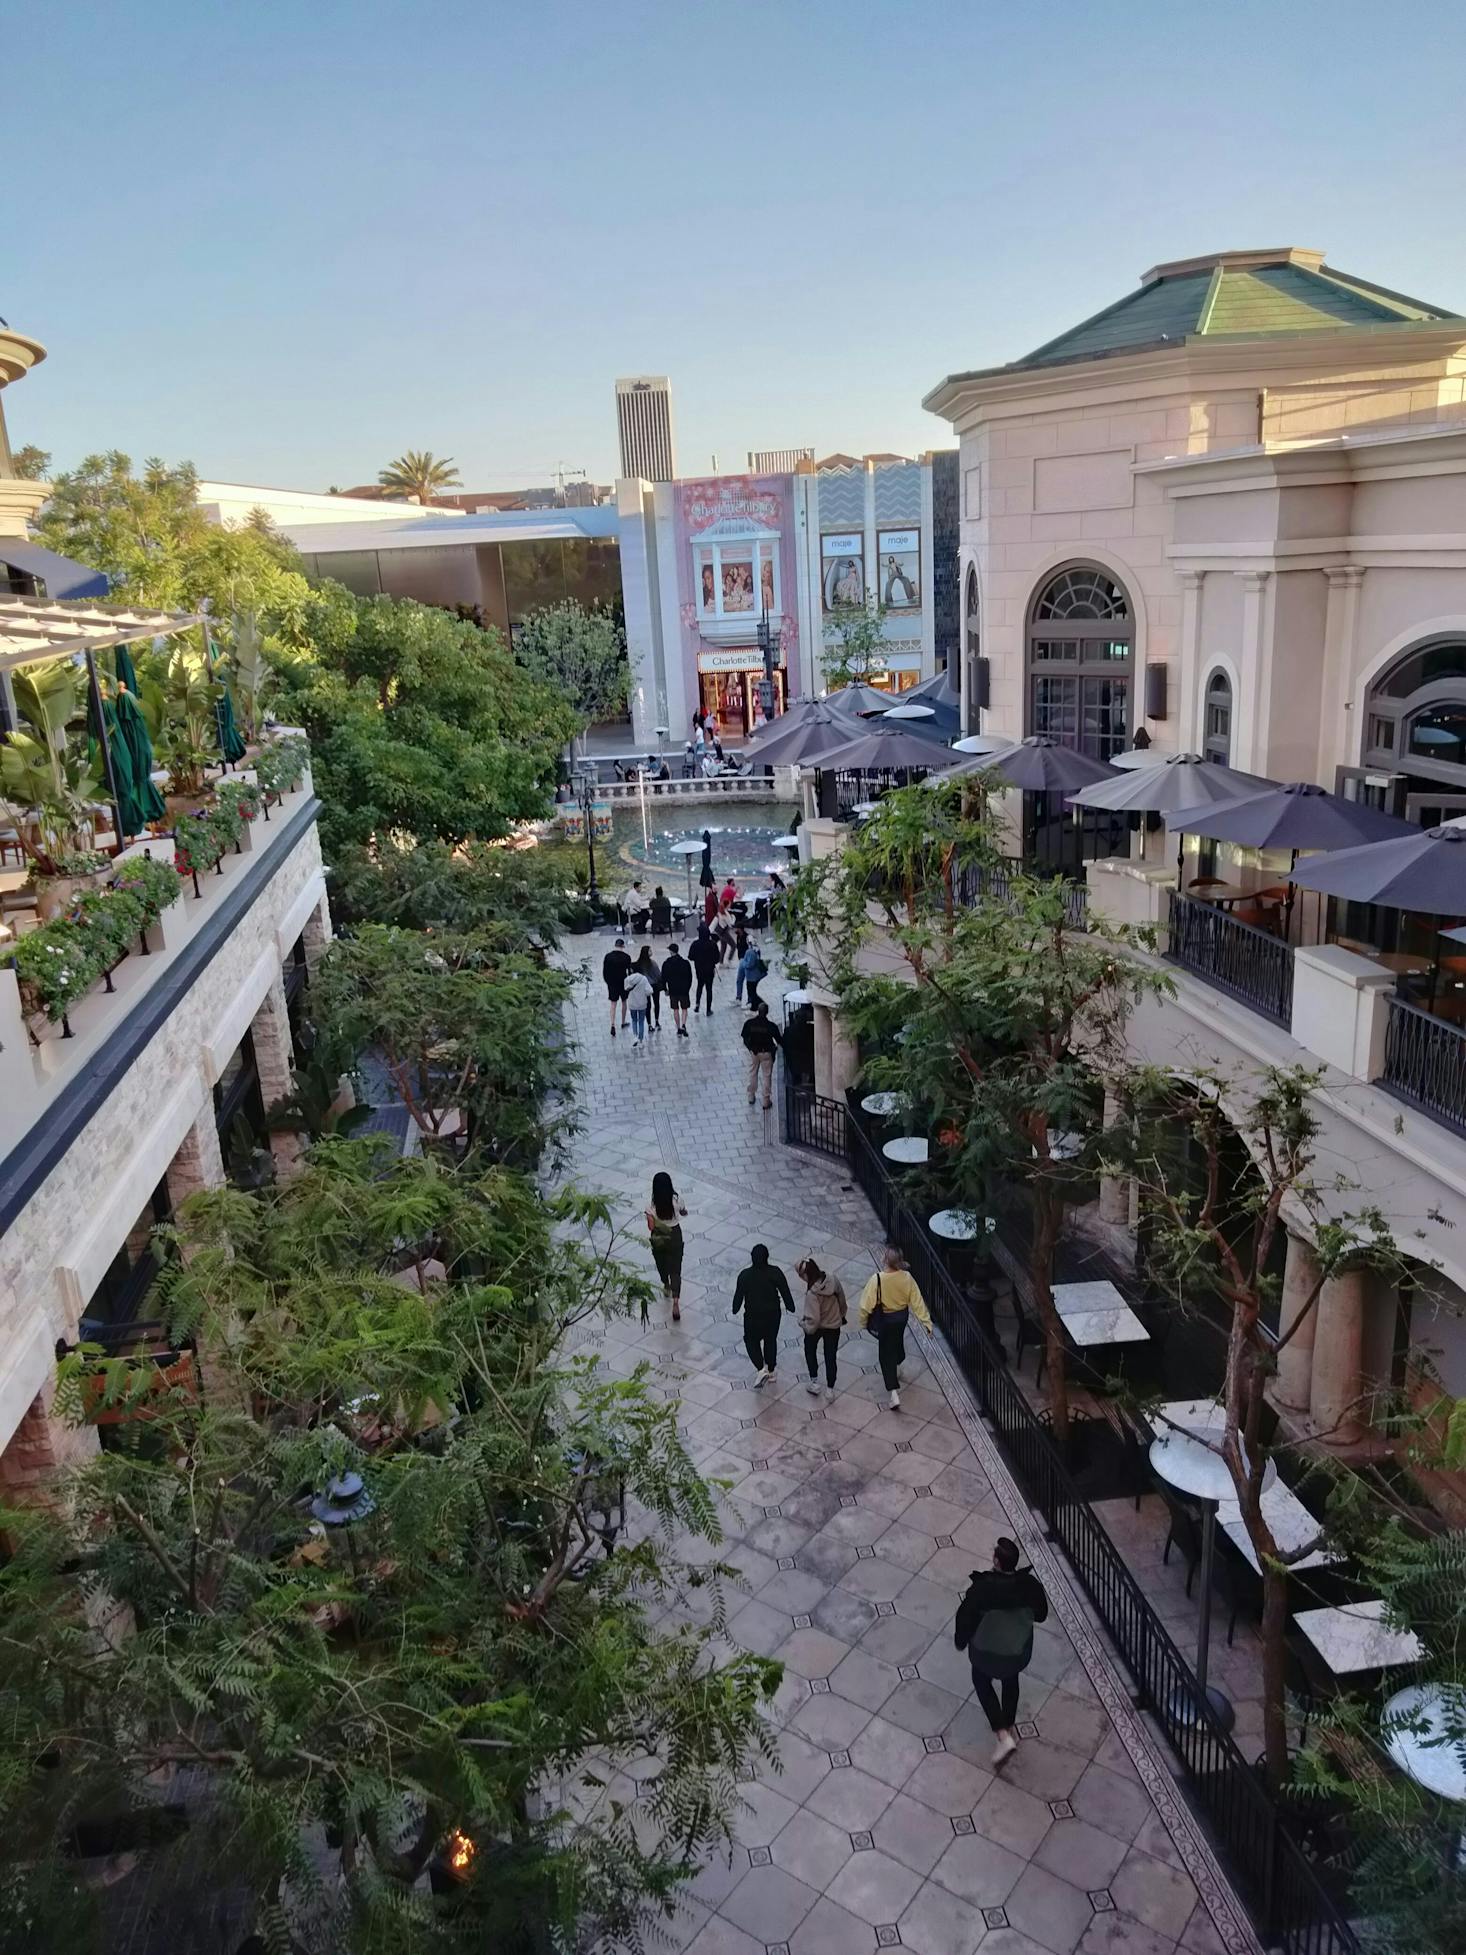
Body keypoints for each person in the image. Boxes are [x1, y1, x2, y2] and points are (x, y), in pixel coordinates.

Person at [954, 1539, 1049, 1768]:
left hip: (985, 1653)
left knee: (980, 1679)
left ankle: (1002, 1735)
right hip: (1016, 1652)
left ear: (996, 1560)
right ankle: (1008, 1725)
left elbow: (965, 1618)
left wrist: (961, 1641)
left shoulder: (982, 1589)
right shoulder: (1029, 1585)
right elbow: (1041, 1615)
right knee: (1010, 1679)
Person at [857, 1244, 934, 1410]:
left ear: (885, 1259)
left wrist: (864, 1322)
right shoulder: (907, 1277)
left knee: (885, 1355)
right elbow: (917, 1301)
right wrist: (926, 1323)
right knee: (897, 1340)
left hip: (886, 1320)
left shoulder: (877, 1279)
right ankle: (898, 1363)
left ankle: (893, 1393)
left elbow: (865, 1306)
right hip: (901, 1318)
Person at [732, 1242, 795, 1385]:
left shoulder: (745, 1275)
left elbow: (738, 1296)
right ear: (767, 1257)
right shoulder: (775, 1272)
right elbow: (785, 1291)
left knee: (751, 1341)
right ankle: (771, 1371)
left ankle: (761, 1369)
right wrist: (790, 1306)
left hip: (753, 1317)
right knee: (770, 1340)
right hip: (772, 1315)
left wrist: (735, 1308)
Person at [795, 1256, 847, 1396]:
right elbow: (842, 1299)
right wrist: (840, 1315)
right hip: (834, 1325)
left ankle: (814, 1382)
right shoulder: (832, 1279)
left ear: (805, 1275)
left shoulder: (812, 1294)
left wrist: (803, 1325)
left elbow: (814, 1320)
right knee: (830, 1356)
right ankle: (830, 1388)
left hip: (818, 1328)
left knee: (810, 1350)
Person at [645, 1170, 688, 1322]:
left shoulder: (651, 1206)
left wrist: (650, 1217)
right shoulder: (676, 1200)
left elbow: (650, 1227)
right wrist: (682, 1212)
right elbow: (684, 1212)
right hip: (675, 1234)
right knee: (675, 1269)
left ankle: (665, 1284)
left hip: (658, 1236)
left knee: (661, 1262)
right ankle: (676, 1301)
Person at [740, 1000, 781, 1108]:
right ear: (767, 1012)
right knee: (767, 1075)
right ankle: (766, 1100)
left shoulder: (750, 1023)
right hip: (766, 1053)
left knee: (753, 1072)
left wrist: (750, 1048)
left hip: (754, 1052)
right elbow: (779, 1039)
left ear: (758, 1011)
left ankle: (751, 1095)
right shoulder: (770, 1026)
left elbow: (744, 1036)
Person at [602, 937, 632, 1037]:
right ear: (623, 946)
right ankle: (623, 1022)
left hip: (612, 984)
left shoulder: (608, 957)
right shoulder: (627, 957)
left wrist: (608, 982)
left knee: (613, 1004)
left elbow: (605, 972)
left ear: (615, 945)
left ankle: (612, 1024)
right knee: (624, 1002)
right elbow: (630, 972)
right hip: (623, 983)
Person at [661, 941, 692, 1035]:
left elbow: (663, 978)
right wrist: (688, 988)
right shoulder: (685, 963)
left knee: (675, 1009)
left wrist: (665, 989)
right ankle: (683, 1024)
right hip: (684, 990)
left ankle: (678, 1027)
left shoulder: (666, 963)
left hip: (673, 990)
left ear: (671, 951)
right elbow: (689, 977)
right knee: (684, 1008)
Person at [688, 922, 719, 1014]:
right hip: (710, 971)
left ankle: (697, 1005)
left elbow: (690, 957)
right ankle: (708, 1009)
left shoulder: (695, 944)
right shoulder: (713, 944)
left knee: (699, 986)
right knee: (709, 989)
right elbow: (717, 959)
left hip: (699, 970)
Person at [632, 943, 662, 1031]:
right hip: (654, 986)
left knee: (647, 1005)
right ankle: (657, 1021)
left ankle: (649, 1024)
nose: (651, 952)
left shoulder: (638, 964)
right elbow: (658, 975)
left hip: (644, 987)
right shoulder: (653, 963)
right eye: (650, 950)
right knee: (656, 1003)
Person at [623, 963, 653, 1045]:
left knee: (634, 1020)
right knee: (641, 1021)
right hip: (642, 1004)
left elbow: (625, 990)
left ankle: (635, 1036)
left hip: (632, 1004)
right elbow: (650, 991)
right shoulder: (643, 979)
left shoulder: (627, 980)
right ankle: (640, 1039)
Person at [736, 939, 767, 1010]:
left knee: (752, 993)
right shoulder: (756, 950)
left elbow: (750, 964)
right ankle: (757, 1005)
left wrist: (743, 962)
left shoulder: (750, 951)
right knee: (752, 992)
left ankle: (756, 1007)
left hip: (751, 976)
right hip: (755, 976)